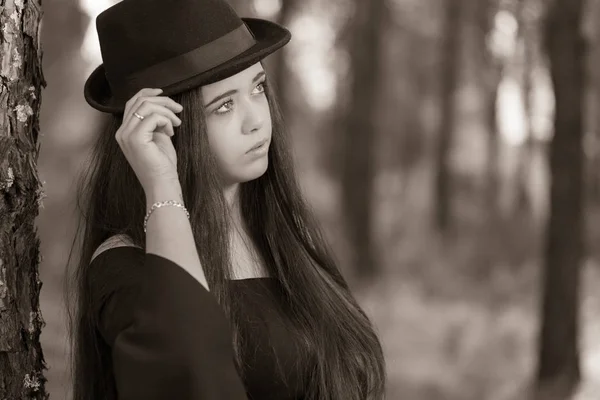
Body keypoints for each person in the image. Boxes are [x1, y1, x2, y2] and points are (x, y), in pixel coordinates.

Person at [67, 0, 386, 398]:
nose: (256, 119)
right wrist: (163, 184)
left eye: (257, 88)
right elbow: (190, 375)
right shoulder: (125, 265)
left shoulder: (281, 235)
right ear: (165, 128)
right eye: (224, 106)